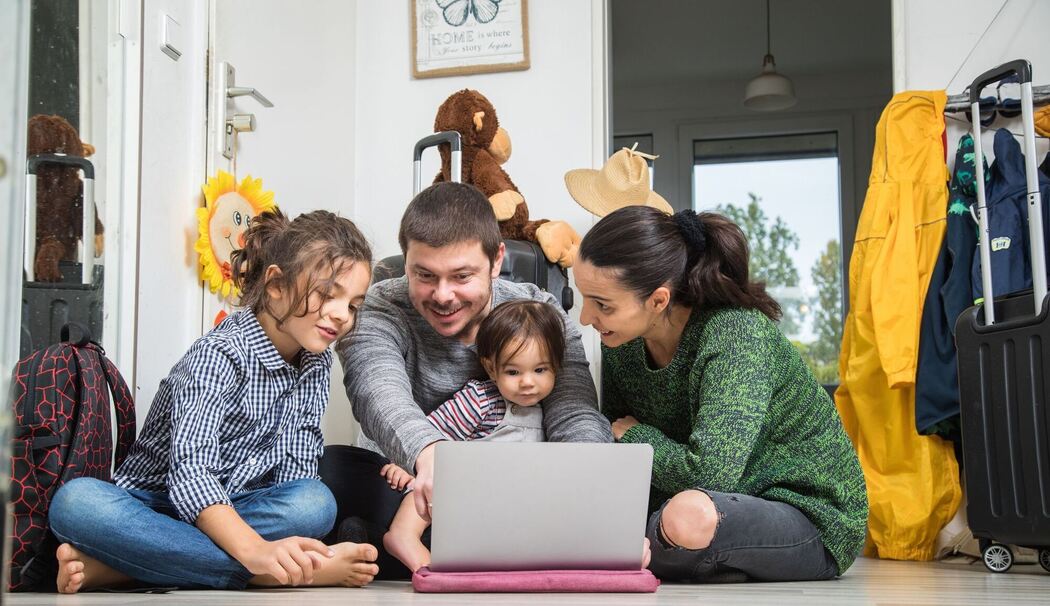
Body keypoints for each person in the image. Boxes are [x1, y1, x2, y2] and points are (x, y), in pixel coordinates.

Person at [48, 209, 381, 593]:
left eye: (353, 305)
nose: (342, 315)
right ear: (275, 284)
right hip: (154, 506)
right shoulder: (219, 354)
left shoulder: (316, 362)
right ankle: (259, 573)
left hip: (238, 508)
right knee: (76, 503)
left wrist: (262, 536)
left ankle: (127, 567)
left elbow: (295, 474)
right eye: (327, 295)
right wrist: (257, 552)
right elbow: (191, 476)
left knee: (315, 502)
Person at [321, 182, 612, 579]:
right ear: (405, 263)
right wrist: (430, 455)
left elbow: (574, 413)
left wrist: (593, 498)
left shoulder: (542, 314)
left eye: (461, 276)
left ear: (496, 261)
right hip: (405, 485)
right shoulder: (378, 305)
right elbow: (376, 389)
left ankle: (384, 547)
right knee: (327, 470)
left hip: (514, 489)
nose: (443, 295)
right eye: (424, 275)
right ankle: (412, 543)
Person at [572, 205, 868, 582]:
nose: (585, 317)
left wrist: (637, 436)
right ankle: (692, 557)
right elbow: (626, 461)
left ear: (659, 300)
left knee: (687, 518)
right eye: (584, 297)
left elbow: (712, 472)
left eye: (603, 305)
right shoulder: (622, 344)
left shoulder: (735, 333)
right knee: (617, 528)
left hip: (807, 514)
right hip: (702, 499)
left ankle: (679, 553)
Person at [381, 299, 564, 572]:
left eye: (540, 370)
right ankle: (403, 534)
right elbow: (429, 436)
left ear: (556, 367)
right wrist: (405, 466)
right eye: (513, 372)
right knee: (440, 475)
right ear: (491, 368)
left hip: (505, 506)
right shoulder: (481, 399)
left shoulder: (550, 412)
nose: (528, 382)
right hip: (465, 495)